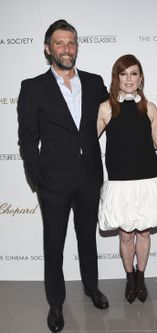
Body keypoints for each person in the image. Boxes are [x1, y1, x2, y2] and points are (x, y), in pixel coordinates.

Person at [17, 19, 109, 333]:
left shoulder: (95, 82)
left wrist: (154, 106)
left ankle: (91, 288)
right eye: (60, 43)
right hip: (53, 182)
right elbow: (28, 138)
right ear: (48, 48)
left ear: (76, 47)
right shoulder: (33, 88)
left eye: (71, 42)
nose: (66, 48)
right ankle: (56, 303)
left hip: (89, 177)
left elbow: (120, 112)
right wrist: (36, 177)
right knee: (54, 244)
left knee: (87, 239)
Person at [97, 54, 157, 303]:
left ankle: (141, 276)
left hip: (147, 179)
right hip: (120, 182)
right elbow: (86, 140)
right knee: (126, 235)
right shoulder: (106, 108)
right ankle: (129, 278)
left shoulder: (149, 108)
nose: (129, 79)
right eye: (124, 74)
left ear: (140, 78)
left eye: (134, 73)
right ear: (116, 78)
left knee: (144, 233)